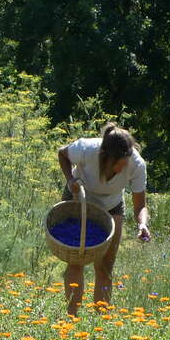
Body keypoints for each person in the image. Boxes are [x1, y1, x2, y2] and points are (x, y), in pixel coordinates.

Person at [57, 122, 151, 316]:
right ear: (105, 156)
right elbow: (62, 153)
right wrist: (70, 180)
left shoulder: (137, 164)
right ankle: (71, 317)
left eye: (126, 162)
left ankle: (101, 320)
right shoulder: (87, 148)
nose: (123, 167)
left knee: (106, 265)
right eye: (119, 163)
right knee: (76, 259)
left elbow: (140, 205)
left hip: (111, 205)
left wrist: (142, 224)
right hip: (79, 199)